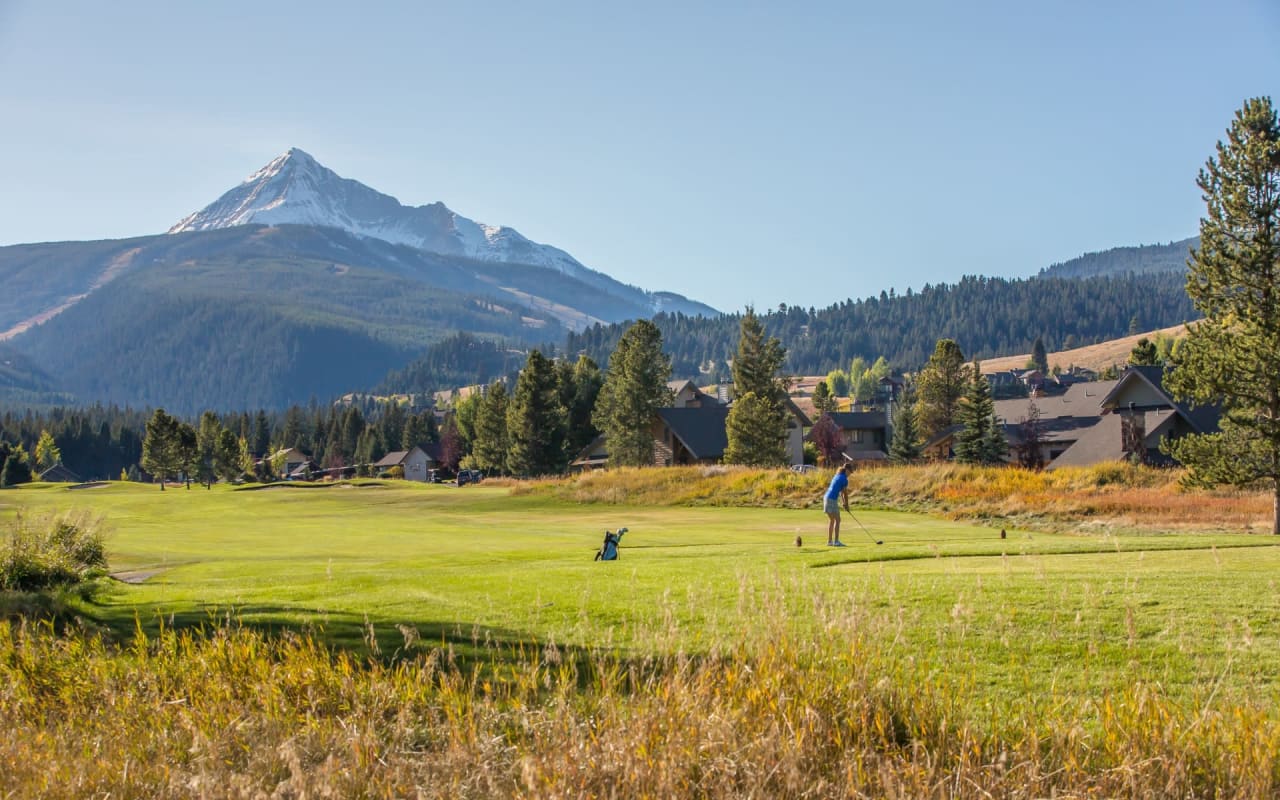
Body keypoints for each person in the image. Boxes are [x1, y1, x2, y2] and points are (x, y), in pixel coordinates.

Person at [823, 463, 852, 546]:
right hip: (832, 499)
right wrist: (847, 505)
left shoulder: (837, 475)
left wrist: (844, 503)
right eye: (850, 472)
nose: (850, 474)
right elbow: (845, 494)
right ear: (846, 470)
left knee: (832, 520)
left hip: (826, 498)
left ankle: (829, 541)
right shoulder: (844, 479)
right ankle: (836, 541)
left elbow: (841, 493)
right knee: (838, 520)